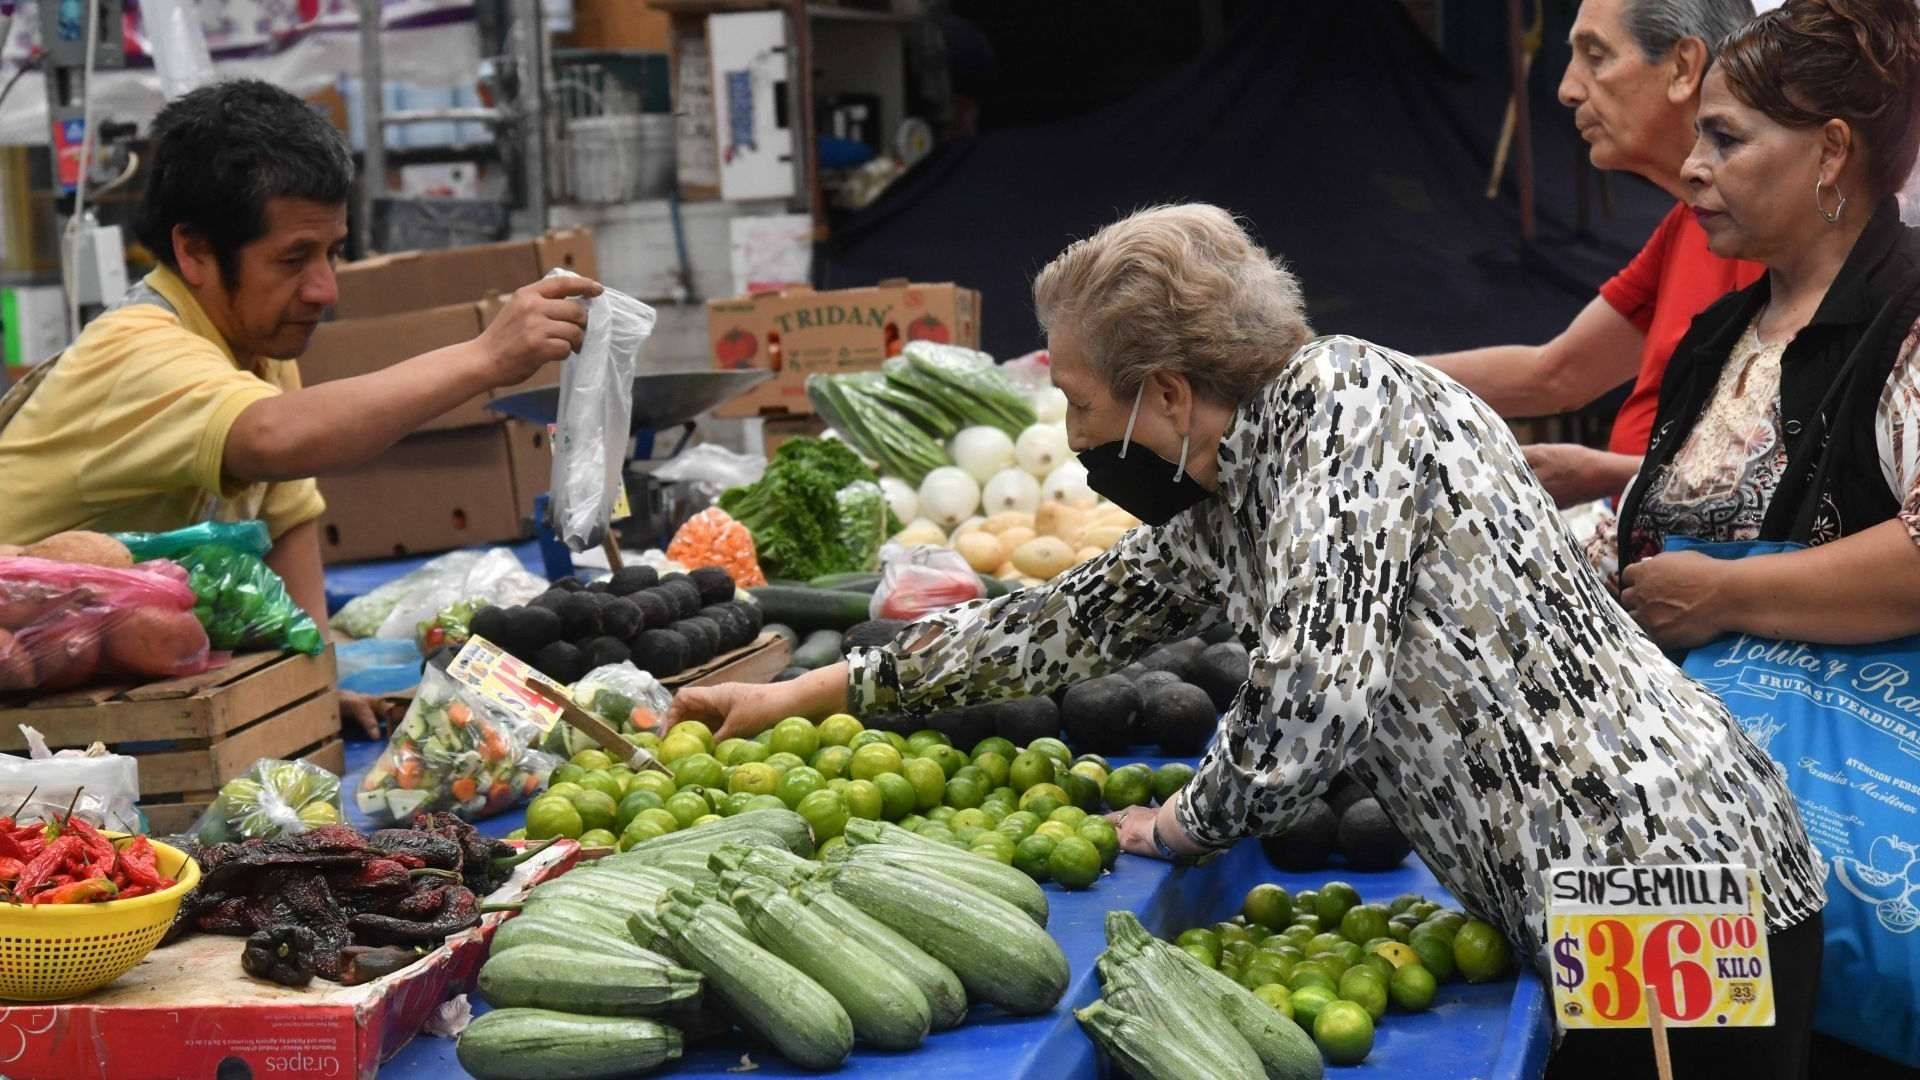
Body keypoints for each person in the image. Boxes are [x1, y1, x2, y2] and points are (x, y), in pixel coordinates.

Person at [668, 203, 1827, 1077]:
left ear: (1166, 392)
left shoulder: (1348, 403)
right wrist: (817, 689)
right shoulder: (1235, 492)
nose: (1073, 437)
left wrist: (1186, 823)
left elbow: (1310, 699)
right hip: (1586, 887)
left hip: (1659, 870)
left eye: (1077, 400)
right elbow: (1057, 625)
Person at [0, 80, 600, 736]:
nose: (324, 288)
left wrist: (313, 683)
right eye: (294, 258)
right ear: (194, 251)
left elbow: (288, 517)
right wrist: (485, 358)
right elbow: (273, 438)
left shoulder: (254, 343)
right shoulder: (136, 351)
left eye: (332, 252)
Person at [1611, 0, 1920, 652]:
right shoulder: (1719, 335)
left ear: (1831, 151)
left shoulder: (1907, 315)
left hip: (1836, 744)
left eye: (1726, 138)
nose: (1694, 165)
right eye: (1699, 136)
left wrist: (1727, 594)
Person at [1426, 0, 1761, 509]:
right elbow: (1557, 373)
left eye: (1596, 55)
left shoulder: (1776, 233)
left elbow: (1780, 470)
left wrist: (1606, 474)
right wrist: (1351, 370)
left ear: (1683, 68)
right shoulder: (1685, 225)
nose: (1567, 89)